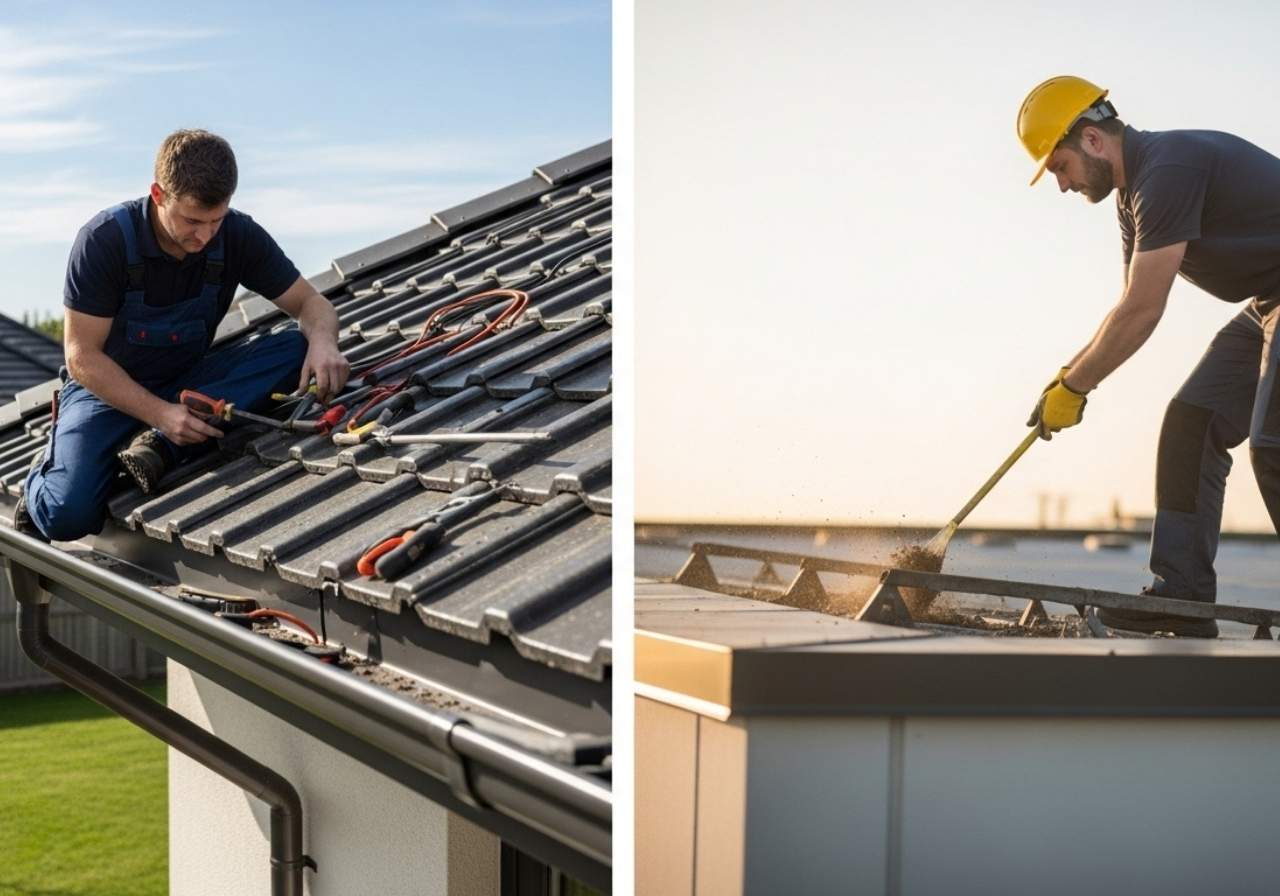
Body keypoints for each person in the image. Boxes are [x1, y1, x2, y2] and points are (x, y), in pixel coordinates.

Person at [1019, 75, 1280, 638]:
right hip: (1270, 301)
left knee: (1274, 442)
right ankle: (1179, 596)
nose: (1062, 185)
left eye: (1059, 167)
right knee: (1191, 421)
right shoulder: (1132, 197)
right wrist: (1067, 377)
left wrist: (1078, 388)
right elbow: (1127, 307)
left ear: (1091, 140)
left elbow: (1143, 310)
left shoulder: (1167, 169)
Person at [15, 129, 349, 542]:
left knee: (295, 347)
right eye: (192, 221)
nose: (205, 236)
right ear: (158, 194)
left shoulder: (239, 235)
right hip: (104, 392)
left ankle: (159, 446)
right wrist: (158, 412)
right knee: (67, 515)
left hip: (190, 382)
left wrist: (323, 342)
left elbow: (312, 305)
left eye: (216, 220)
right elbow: (81, 357)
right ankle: (42, 476)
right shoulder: (104, 241)